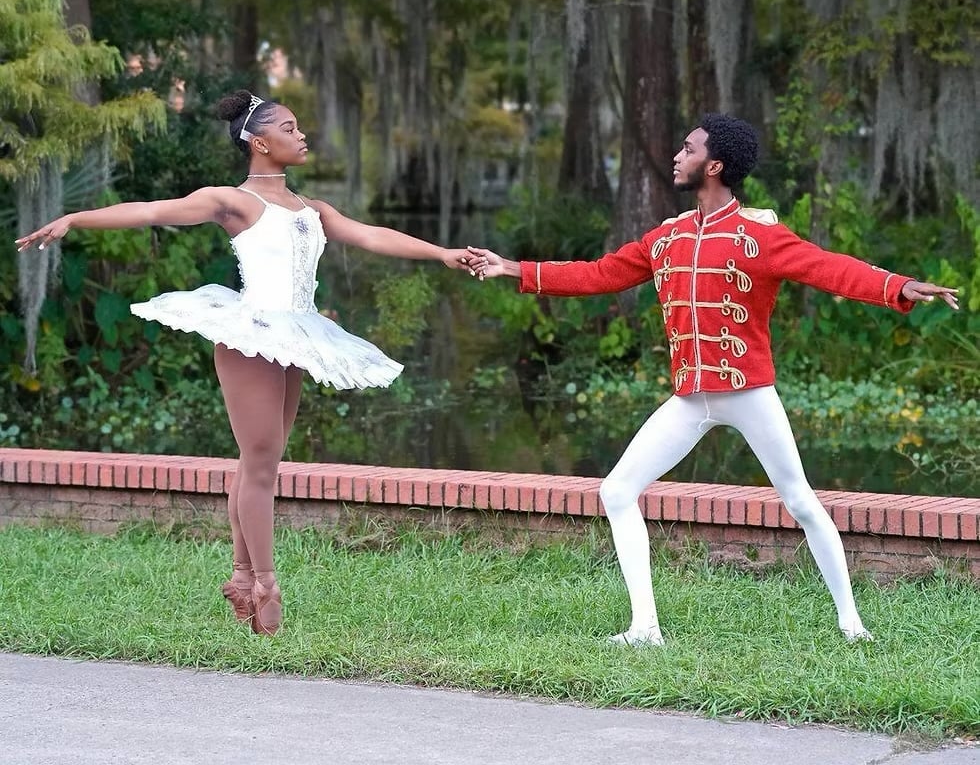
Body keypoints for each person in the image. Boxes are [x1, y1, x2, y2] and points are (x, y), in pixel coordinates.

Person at [467, 113, 958, 646]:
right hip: (690, 399)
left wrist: (899, 287)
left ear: (715, 165)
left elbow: (829, 267)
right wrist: (513, 268)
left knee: (798, 501)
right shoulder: (667, 237)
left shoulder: (761, 235)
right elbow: (599, 273)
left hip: (749, 394)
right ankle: (644, 628)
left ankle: (851, 624)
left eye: (688, 148)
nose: (678, 155)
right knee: (617, 490)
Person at [16, 89, 483, 636]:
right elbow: (151, 211)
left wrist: (442, 253)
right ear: (260, 142)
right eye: (289, 127)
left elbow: (372, 235)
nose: (302, 134)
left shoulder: (312, 209)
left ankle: (240, 576)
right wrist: (76, 217)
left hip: (295, 336)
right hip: (250, 335)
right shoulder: (235, 202)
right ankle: (265, 583)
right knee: (260, 464)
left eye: (299, 126)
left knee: (258, 462)